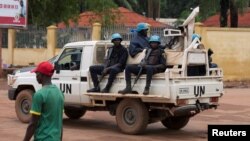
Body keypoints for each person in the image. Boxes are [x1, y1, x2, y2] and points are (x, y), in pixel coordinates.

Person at [23, 61, 64, 141]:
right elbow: (60, 122)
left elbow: (33, 124)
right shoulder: (60, 94)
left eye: (37, 73)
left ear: (42, 74)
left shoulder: (39, 95)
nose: (36, 76)